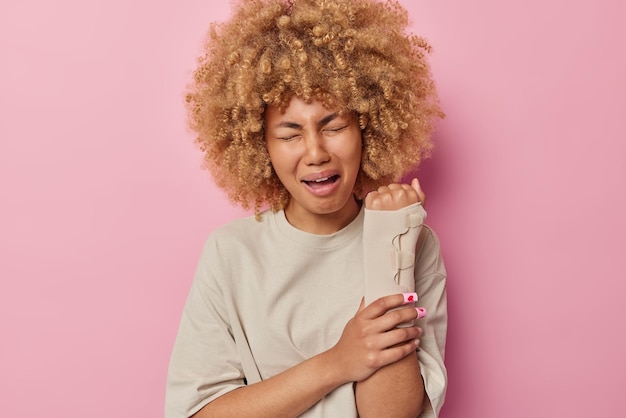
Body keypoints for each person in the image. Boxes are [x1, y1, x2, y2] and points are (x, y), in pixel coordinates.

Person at [165, 0, 447, 417]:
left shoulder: (412, 240)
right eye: (290, 133)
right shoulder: (231, 253)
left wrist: (390, 244)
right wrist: (338, 362)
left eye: (333, 126)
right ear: (259, 144)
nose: (316, 153)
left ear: (368, 127)